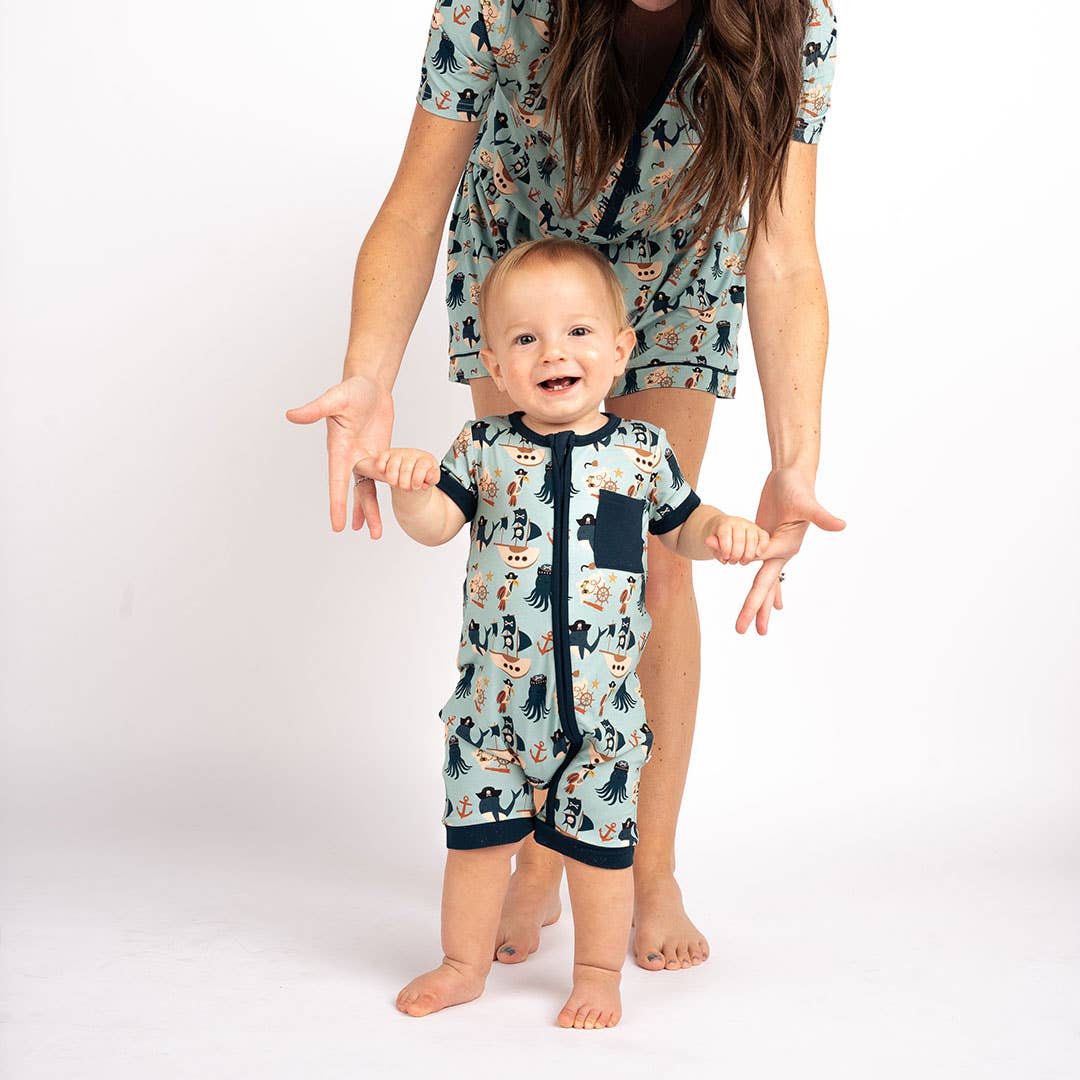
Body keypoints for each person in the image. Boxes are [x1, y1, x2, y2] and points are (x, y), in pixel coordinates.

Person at [286, 0, 844, 973]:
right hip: (524, 279)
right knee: (528, 537)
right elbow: (416, 201)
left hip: (675, 275)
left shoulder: (799, 24)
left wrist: (795, 459)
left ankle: (647, 868)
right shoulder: (489, 10)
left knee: (656, 565)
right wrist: (368, 374)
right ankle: (539, 849)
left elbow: (785, 250)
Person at [350, 239, 801, 1026]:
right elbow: (434, 526)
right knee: (476, 845)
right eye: (527, 338)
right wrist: (412, 488)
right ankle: (461, 964)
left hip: (601, 716)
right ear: (496, 365)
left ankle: (596, 975)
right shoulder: (483, 449)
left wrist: (725, 531)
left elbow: (684, 527)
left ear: (621, 350)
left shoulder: (641, 454)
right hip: (492, 710)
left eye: (579, 332)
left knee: (601, 857)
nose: (554, 352)